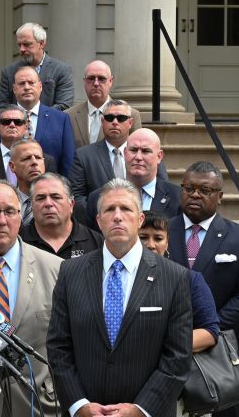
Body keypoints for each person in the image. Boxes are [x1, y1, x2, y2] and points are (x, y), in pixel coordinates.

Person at [47, 178, 192, 417]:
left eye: (125, 209)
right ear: (98, 221)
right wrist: (78, 404)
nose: (117, 216)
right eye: (109, 209)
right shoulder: (70, 272)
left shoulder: (174, 277)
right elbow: (58, 346)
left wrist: (140, 409)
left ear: (140, 219)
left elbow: (178, 356)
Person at [167, 161, 239, 417]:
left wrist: (210, 328)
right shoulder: (162, 231)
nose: (196, 194)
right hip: (166, 348)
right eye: (189, 188)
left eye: (205, 190)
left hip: (220, 351)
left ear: (220, 197)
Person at [0, 180, 62, 417]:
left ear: (20, 216)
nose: (1, 220)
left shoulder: (55, 269)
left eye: (9, 211)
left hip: (38, 403)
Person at [138, 211, 220, 352]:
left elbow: (210, 332)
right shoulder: (117, 278)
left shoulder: (190, 279)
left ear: (167, 243)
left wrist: (159, 346)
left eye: (158, 238)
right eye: (143, 237)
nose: (150, 245)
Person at [71, 100, 168, 208]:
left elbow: (163, 188)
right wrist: (104, 217)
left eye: (121, 118)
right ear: (102, 121)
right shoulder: (83, 156)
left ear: (130, 123)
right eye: (109, 118)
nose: (115, 122)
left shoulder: (149, 152)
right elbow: (77, 197)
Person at [84, 128, 181, 231]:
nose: (138, 157)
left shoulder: (178, 198)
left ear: (159, 156)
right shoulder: (97, 198)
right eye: (133, 150)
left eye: (145, 151)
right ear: (125, 153)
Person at [20, 173, 102, 259]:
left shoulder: (96, 243)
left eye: (56, 197)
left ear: (71, 204)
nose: (48, 203)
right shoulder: (19, 243)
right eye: (41, 198)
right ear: (32, 206)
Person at [0, 22, 73, 111]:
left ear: (41, 44)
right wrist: (21, 119)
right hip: (17, 123)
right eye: (19, 45)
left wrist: (36, 116)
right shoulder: (9, 72)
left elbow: (64, 105)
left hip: (49, 123)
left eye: (27, 44)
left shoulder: (61, 70)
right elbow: (2, 106)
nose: (22, 49)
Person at [65, 60, 142, 148]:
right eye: (91, 78)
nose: (96, 83)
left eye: (101, 79)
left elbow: (135, 150)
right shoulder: (68, 116)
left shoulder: (131, 115)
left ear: (110, 81)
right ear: (84, 81)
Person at [8, 138, 47, 226]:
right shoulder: (4, 202)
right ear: (12, 166)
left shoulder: (61, 203)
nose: (34, 162)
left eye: (38, 157)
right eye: (26, 158)